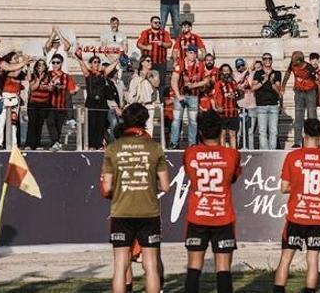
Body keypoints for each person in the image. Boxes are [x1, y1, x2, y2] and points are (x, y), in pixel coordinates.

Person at [101, 104, 169, 293]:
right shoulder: (155, 147)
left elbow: (106, 187)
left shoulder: (113, 149)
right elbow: (165, 186)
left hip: (121, 211)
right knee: (151, 265)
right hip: (148, 211)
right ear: (145, 121)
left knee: (120, 265)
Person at [273, 119, 320, 293]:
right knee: (313, 260)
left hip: (296, 215)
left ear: (303, 134)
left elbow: (284, 187)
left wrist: (298, 188)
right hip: (317, 217)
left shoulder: (293, 156)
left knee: (286, 258)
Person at [182, 110, 241, 293]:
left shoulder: (190, 153)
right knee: (223, 268)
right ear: (220, 131)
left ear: (200, 131)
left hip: (198, 216)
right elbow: (233, 178)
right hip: (223, 216)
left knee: (194, 266)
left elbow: (190, 175)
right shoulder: (232, 154)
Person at [76, 52, 120, 150]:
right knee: (91, 124)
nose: (97, 64)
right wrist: (79, 58)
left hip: (101, 102)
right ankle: (91, 144)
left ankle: (99, 144)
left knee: (100, 124)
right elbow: (82, 65)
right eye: (95, 62)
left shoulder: (103, 74)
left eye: (98, 62)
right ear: (91, 64)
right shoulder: (88, 74)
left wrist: (118, 58)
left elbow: (112, 66)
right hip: (91, 102)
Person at [169, 45, 209, 148]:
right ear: (186, 53)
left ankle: (192, 144)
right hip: (181, 94)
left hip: (193, 96)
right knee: (176, 120)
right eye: (191, 52)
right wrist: (178, 95)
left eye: (195, 53)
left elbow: (206, 80)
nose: (193, 55)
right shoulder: (180, 63)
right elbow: (174, 80)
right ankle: (174, 143)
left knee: (193, 121)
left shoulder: (200, 64)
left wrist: (194, 85)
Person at [281, 51, 320, 147]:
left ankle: (313, 140)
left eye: (294, 61)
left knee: (312, 117)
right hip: (298, 92)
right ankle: (297, 142)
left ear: (299, 61)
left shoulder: (309, 68)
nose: (292, 62)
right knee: (298, 117)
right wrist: (283, 86)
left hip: (310, 92)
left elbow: (318, 83)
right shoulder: (293, 64)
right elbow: (287, 73)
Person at [0, 52, 28, 149]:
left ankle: (14, 143)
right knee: (1, 121)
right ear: (9, 59)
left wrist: (28, 66)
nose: (17, 59)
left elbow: (28, 77)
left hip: (15, 97)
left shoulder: (18, 69)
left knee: (13, 122)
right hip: (4, 96)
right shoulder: (6, 69)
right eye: (15, 58)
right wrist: (23, 62)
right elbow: (14, 73)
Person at [46, 53, 79, 150]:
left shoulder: (66, 76)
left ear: (61, 64)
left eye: (58, 62)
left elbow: (72, 90)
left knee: (58, 126)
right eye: (53, 62)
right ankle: (55, 142)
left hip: (61, 105)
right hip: (50, 104)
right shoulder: (47, 75)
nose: (55, 65)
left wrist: (75, 90)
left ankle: (56, 143)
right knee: (50, 123)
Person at [251, 53, 282, 150]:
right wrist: (263, 81)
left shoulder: (277, 73)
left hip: (273, 105)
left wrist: (271, 82)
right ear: (262, 61)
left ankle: (272, 151)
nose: (267, 60)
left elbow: (278, 90)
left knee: (273, 131)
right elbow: (253, 88)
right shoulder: (258, 73)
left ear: (272, 60)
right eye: (265, 59)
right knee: (262, 131)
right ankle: (265, 151)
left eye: (269, 58)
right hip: (261, 105)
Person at [136, 16, 173, 93]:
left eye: (159, 23)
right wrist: (146, 47)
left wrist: (163, 44)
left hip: (161, 62)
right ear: (151, 23)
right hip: (148, 63)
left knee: (161, 83)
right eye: (155, 22)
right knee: (147, 81)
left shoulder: (164, 33)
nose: (157, 24)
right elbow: (138, 44)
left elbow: (170, 44)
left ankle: (160, 99)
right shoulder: (145, 32)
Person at [127, 55, 160, 135]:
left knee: (149, 125)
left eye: (151, 61)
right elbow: (132, 87)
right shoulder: (136, 74)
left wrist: (148, 76)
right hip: (139, 103)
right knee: (138, 124)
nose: (150, 62)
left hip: (149, 103)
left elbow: (156, 84)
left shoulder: (154, 72)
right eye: (148, 61)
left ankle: (148, 141)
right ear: (142, 63)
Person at [212, 64, 242, 148]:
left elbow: (238, 95)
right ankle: (223, 151)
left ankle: (233, 151)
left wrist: (238, 92)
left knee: (233, 134)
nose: (226, 73)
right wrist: (216, 107)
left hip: (233, 112)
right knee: (222, 134)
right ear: (221, 72)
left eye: (228, 70)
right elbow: (214, 97)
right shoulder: (218, 84)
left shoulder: (234, 83)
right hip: (222, 113)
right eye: (224, 71)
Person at [24, 59, 51, 150]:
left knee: (40, 124)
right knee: (32, 123)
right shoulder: (33, 75)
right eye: (39, 65)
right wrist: (39, 80)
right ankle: (29, 144)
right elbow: (32, 88)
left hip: (44, 103)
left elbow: (51, 88)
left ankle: (37, 144)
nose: (41, 66)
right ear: (36, 67)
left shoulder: (48, 76)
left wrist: (43, 86)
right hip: (33, 103)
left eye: (43, 65)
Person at [233, 58, 256, 148]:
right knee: (239, 131)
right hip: (240, 105)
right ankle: (237, 148)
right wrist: (247, 71)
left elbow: (252, 85)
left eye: (242, 65)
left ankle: (251, 150)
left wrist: (249, 71)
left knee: (250, 131)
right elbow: (237, 85)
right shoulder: (234, 75)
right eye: (238, 66)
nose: (241, 68)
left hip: (252, 105)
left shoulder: (252, 74)